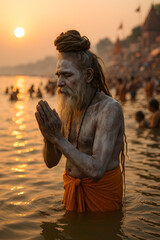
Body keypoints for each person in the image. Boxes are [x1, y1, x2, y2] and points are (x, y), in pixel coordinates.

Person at [35, 30, 125, 213]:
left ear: (88, 76)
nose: (59, 82)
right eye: (58, 75)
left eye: (67, 75)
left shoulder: (109, 109)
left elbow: (97, 170)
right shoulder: (69, 107)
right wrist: (48, 137)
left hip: (102, 201)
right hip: (71, 193)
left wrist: (58, 139)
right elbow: (51, 163)